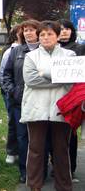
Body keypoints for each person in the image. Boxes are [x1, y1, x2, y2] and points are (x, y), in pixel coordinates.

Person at [20, 20, 75, 191]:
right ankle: (34, 186)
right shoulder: (31, 56)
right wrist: (59, 78)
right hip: (36, 109)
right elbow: (31, 80)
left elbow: (72, 80)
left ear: (57, 36)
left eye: (50, 34)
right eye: (42, 34)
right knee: (36, 149)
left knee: (61, 150)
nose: (45, 37)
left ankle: (64, 187)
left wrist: (45, 74)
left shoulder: (70, 56)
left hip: (61, 109)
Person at [2, 20, 40, 183]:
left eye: (32, 30)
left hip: (40, 102)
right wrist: (13, 91)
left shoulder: (44, 51)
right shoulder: (16, 51)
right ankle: (25, 171)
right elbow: (6, 74)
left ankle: (40, 170)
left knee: (38, 138)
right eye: (25, 30)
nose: (28, 33)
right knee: (22, 137)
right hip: (20, 102)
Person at [58, 19, 84, 182]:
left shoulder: (80, 48)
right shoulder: (52, 49)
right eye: (60, 29)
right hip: (56, 94)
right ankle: (56, 166)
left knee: (70, 134)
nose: (64, 32)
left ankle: (70, 168)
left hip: (74, 96)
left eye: (67, 29)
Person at [0, 24, 22, 165]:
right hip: (13, 93)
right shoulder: (10, 50)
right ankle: (12, 151)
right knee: (13, 122)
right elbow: (3, 73)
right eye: (23, 31)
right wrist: (10, 90)